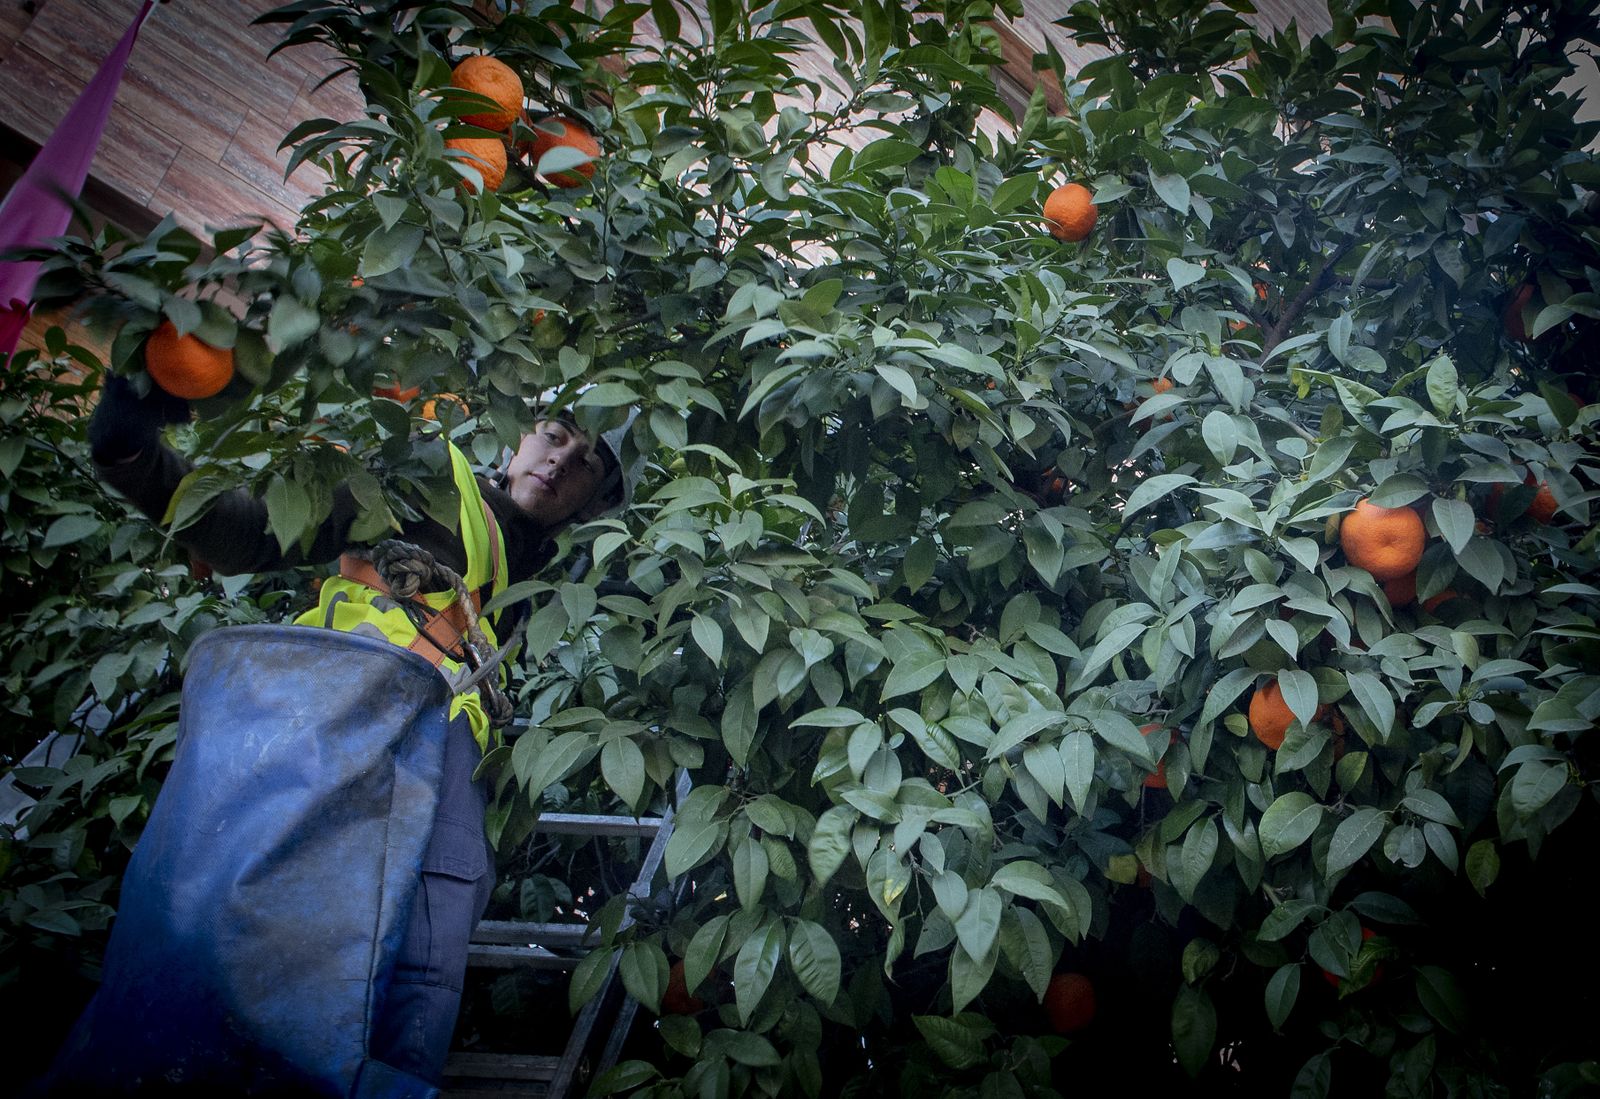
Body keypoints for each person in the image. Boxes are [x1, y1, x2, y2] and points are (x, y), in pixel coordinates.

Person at [46, 374, 628, 1095]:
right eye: (555, 435)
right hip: (343, 736)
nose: (560, 460)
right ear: (519, 435)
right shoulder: (428, 480)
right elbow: (252, 531)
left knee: (413, 975)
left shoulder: (542, 579)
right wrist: (132, 454)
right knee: (269, 958)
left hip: (441, 760)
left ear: (596, 503)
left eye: (586, 462)